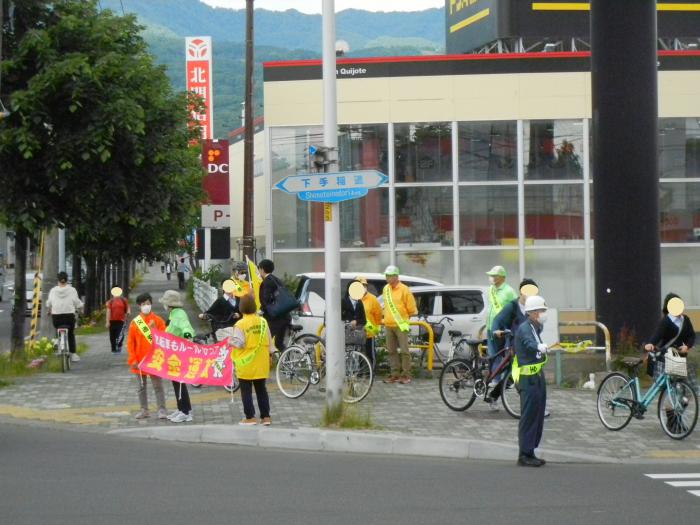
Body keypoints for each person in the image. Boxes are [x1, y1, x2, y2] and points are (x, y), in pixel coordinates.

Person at [486, 278, 538, 408]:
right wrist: (496, 331)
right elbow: (498, 320)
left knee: (513, 376)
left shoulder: (533, 308)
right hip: (514, 345)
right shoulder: (513, 306)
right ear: (521, 292)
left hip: (528, 345)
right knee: (519, 375)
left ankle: (493, 396)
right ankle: (530, 405)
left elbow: (538, 324)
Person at [514, 295, 549, 467]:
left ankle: (531, 451)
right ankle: (524, 454)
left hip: (536, 376)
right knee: (529, 416)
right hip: (528, 378)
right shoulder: (525, 328)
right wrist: (538, 346)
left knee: (537, 414)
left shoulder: (536, 327)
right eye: (542, 310)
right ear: (534, 312)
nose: (544, 313)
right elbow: (528, 343)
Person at [227, 294, 274, 426]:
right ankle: (266, 417)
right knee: (261, 389)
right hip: (261, 361)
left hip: (246, 362)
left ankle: (250, 417)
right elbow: (270, 341)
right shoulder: (263, 321)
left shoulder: (240, 324)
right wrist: (271, 355)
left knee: (246, 391)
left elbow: (240, 343)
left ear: (241, 308)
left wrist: (230, 341)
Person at [644, 293, 697, 392]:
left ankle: (677, 404)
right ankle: (669, 404)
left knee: (684, 385)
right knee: (668, 385)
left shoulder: (685, 319)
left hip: (680, 356)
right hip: (666, 357)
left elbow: (691, 335)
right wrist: (650, 343)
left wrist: (687, 346)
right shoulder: (665, 321)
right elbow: (657, 335)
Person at [126, 293, 167, 419]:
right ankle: (144, 410)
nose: (146, 306)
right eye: (143, 304)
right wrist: (132, 359)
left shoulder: (158, 321)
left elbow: (164, 339)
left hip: (155, 359)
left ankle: (162, 410)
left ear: (151, 304)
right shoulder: (135, 322)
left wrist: (155, 330)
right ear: (139, 306)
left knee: (158, 386)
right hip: (139, 360)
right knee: (141, 387)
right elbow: (130, 343)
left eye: (148, 303)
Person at [160, 290, 195, 423]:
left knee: (179, 383)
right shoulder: (174, 314)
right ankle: (183, 409)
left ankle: (185, 412)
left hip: (179, 354)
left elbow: (188, 331)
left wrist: (186, 342)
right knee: (176, 382)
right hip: (174, 354)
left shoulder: (179, 315)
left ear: (169, 305)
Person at [381, 265, 418, 385]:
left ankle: (406, 375)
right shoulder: (386, 289)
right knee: (391, 350)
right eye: (386, 276)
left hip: (401, 324)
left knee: (404, 351)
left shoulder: (404, 289)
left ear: (396, 276)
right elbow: (385, 306)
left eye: (390, 276)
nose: (387, 278)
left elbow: (411, 309)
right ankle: (395, 374)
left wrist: (403, 320)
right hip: (388, 324)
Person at [485, 265, 518, 384]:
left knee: (505, 355)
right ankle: (495, 380)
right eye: (491, 275)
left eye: (494, 276)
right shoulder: (491, 289)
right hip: (490, 327)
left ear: (502, 277)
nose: (491, 278)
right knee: (493, 355)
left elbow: (516, 308)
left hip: (503, 328)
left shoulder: (509, 291)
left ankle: (507, 381)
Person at [46, 271, 84, 362]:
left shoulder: (53, 290)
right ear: (67, 280)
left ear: (58, 280)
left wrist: (49, 311)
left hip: (56, 317)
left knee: (57, 327)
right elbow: (77, 303)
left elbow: (49, 303)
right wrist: (80, 310)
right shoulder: (72, 290)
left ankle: (56, 341)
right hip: (69, 317)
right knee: (70, 334)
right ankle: (73, 354)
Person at [258, 259, 291, 353]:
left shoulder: (267, 282)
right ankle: (287, 362)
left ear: (262, 269)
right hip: (285, 316)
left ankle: (266, 363)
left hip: (274, 319)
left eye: (259, 269)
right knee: (279, 343)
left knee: (265, 341)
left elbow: (266, 300)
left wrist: (261, 311)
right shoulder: (277, 280)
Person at [356, 276, 382, 369]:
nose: (362, 287)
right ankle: (358, 372)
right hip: (356, 332)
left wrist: (376, 327)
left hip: (369, 331)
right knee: (357, 353)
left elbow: (378, 315)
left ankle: (371, 371)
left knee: (370, 353)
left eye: (364, 285)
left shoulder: (372, 299)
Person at [105, 286, 130, 353]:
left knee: (120, 334)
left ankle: (119, 346)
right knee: (112, 336)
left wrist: (128, 312)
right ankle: (113, 348)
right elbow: (108, 312)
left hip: (121, 321)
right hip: (112, 321)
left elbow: (128, 308)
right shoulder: (110, 301)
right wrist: (107, 322)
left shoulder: (124, 300)